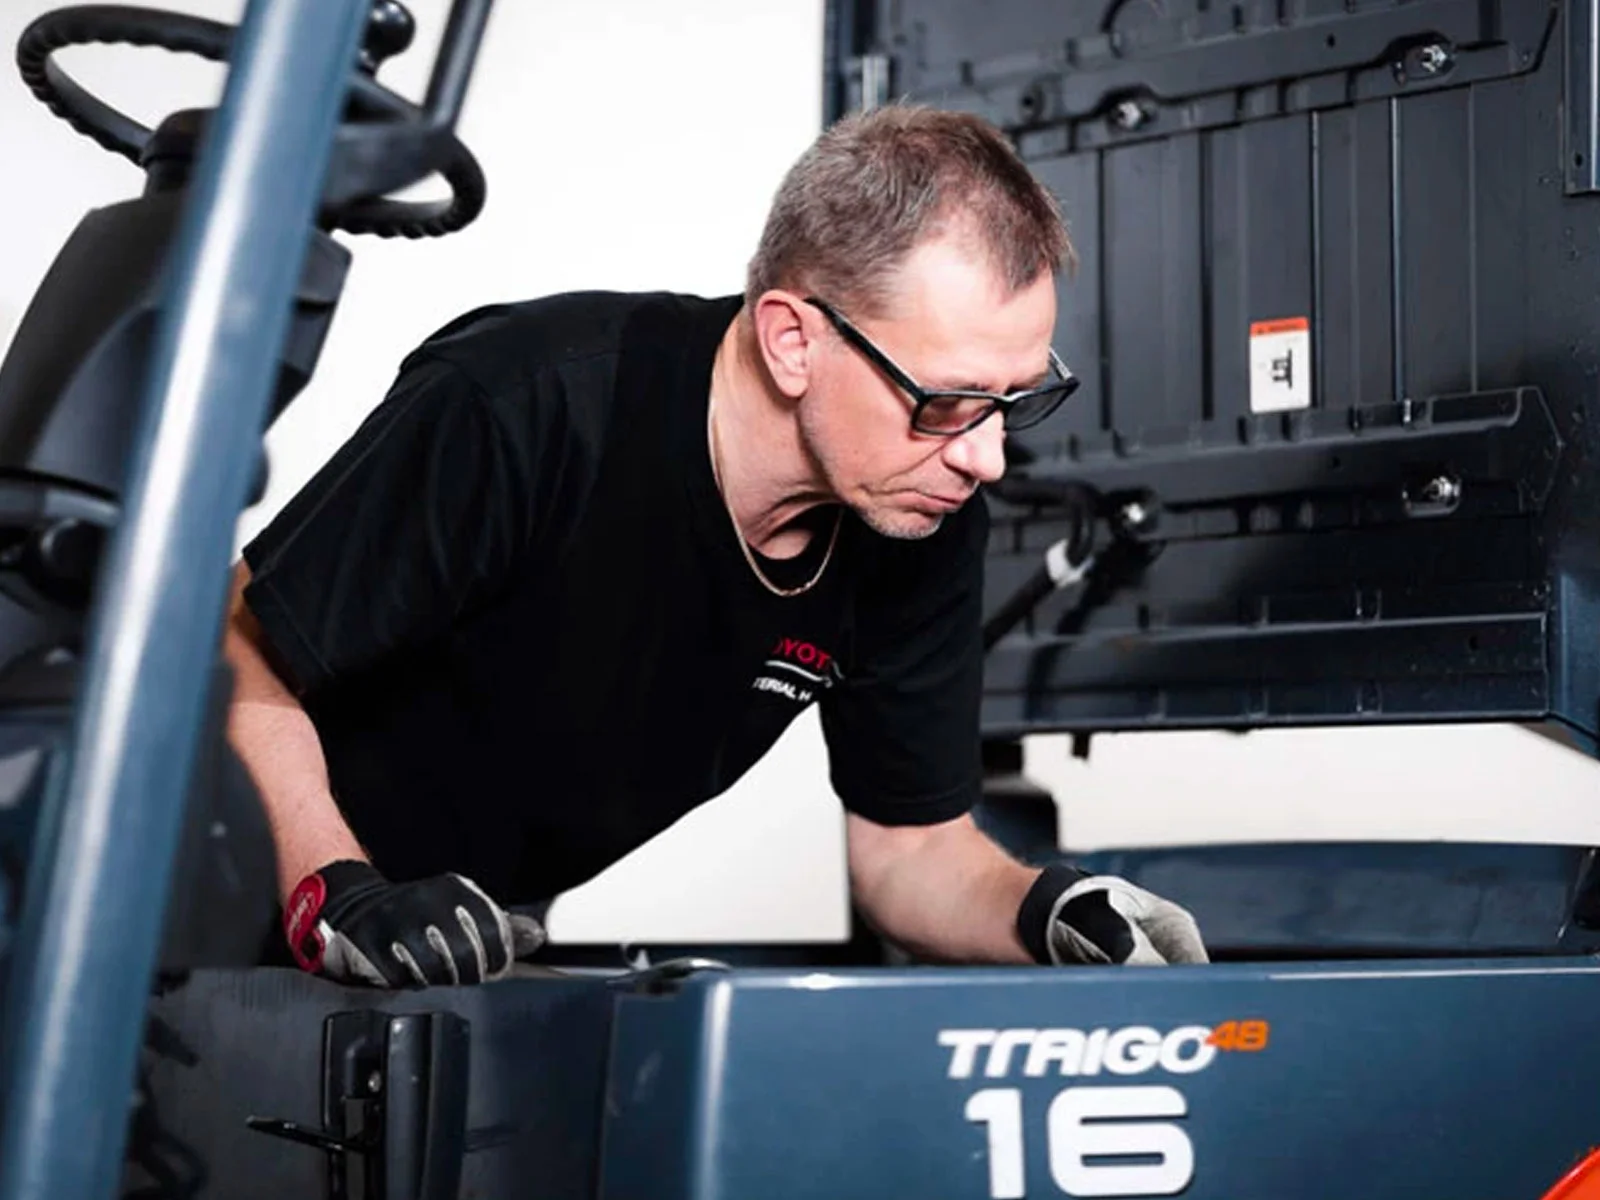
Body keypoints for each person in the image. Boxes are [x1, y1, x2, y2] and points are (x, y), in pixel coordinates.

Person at [224, 103, 1207, 989]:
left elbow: (910, 852)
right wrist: (334, 890)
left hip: (457, 944)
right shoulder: (530, 404)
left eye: (1018, 399)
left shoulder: (918, 511)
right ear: (792, 342)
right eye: (947, 400)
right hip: (223, 896)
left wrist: (1049, 911)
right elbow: (236, 646)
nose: (988, 457)